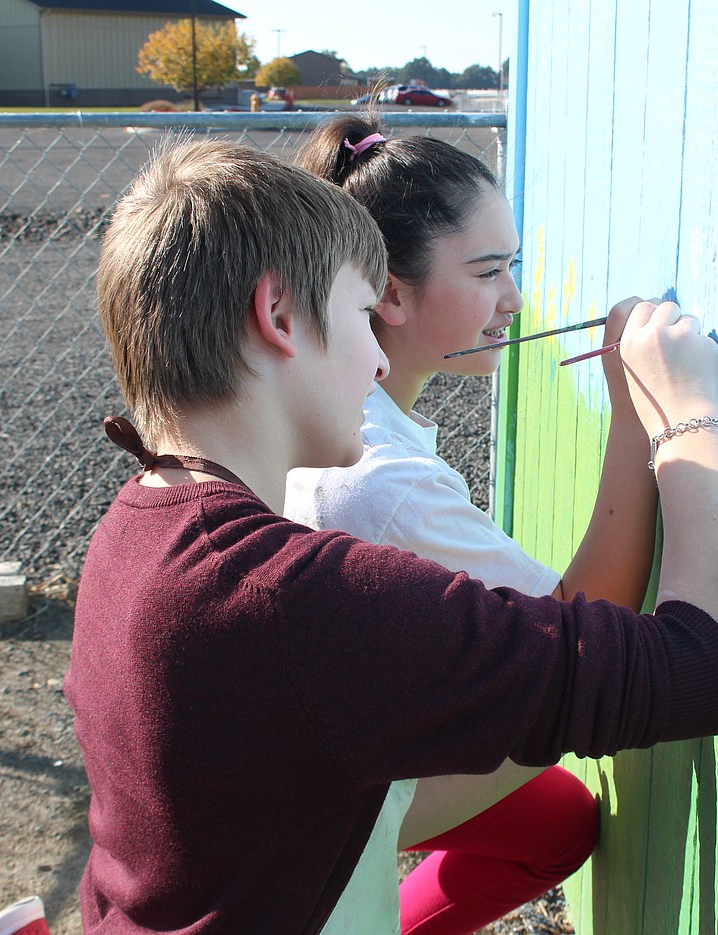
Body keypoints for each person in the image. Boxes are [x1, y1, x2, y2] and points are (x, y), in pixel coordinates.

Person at [64, 137, 718, 935]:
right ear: (280, 317)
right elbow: (717, 669)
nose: (375, 358)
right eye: (361, 313)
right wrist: (684, 418)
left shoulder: (130, 533)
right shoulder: (298, 600)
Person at [285, 114, 669, 934]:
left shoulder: (340, 408)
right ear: (388, 291)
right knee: (546, 710)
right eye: (490, 270)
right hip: (300, 793)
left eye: (515, 266)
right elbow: (580, 631)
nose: (515, 298)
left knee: (554, 819)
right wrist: (639, 419)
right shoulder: (383, 481)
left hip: (310, 743)